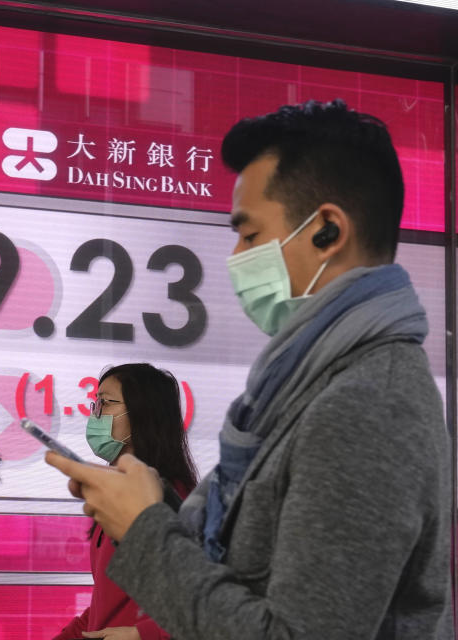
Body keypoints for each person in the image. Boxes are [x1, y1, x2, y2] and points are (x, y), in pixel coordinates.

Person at [46, 99, 454, 639]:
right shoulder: (306, 384)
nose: (235, 255)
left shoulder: (366, 403)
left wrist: (144, 530)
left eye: (251, 235)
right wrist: (153, 502)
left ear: (327, 230)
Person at [53, 363, 197, 640]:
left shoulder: (171, 499)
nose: (96, 415)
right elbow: (106, 604)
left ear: (144, 412)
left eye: (106, 403)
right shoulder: (115, 495)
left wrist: (143, 635)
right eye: (95, 404)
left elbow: (204, 603)